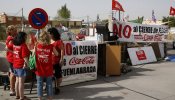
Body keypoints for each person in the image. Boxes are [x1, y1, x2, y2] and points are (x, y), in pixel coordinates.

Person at [35, 31, 58, 100]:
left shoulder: (37, 45)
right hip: (48, 69)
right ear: (48, 38)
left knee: (39, 84)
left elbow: (33, 54)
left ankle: (40, 98)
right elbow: (57, 54)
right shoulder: (51, 46)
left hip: (39, 68)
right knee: (49, 84)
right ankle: (50, 98)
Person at [13, 32, 30, 100]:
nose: (26, 38)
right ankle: (22, 97)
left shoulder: (15, 44)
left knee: (17, 81)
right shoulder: (23, 46)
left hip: (15, 65)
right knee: (21, 82)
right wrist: (28, 65)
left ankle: (17, 95)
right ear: (23, 37)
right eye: (25, 37)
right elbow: (25, 57)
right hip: (21, 66)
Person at [48, 27, 64, 94]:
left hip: (56, 61)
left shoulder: (59, 41)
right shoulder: (48, 40)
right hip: (49, 62)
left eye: (49, 34)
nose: (48, 35)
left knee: (58, 75)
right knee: (48, 75)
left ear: (53, 34)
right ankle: (48, 86)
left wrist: (61, 59)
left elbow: (62, 50)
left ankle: (57, 87)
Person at [5, 25, 17, 96]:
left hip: (11, 57)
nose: (16, 31)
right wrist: (15, 52)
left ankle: (13, 88)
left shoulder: (10, 38)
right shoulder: (11, 39)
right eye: (14, 30)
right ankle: (12, 90)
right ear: (10, 31)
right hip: (12, 58)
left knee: (11, 72)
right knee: (13, 73)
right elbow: (7, 48)